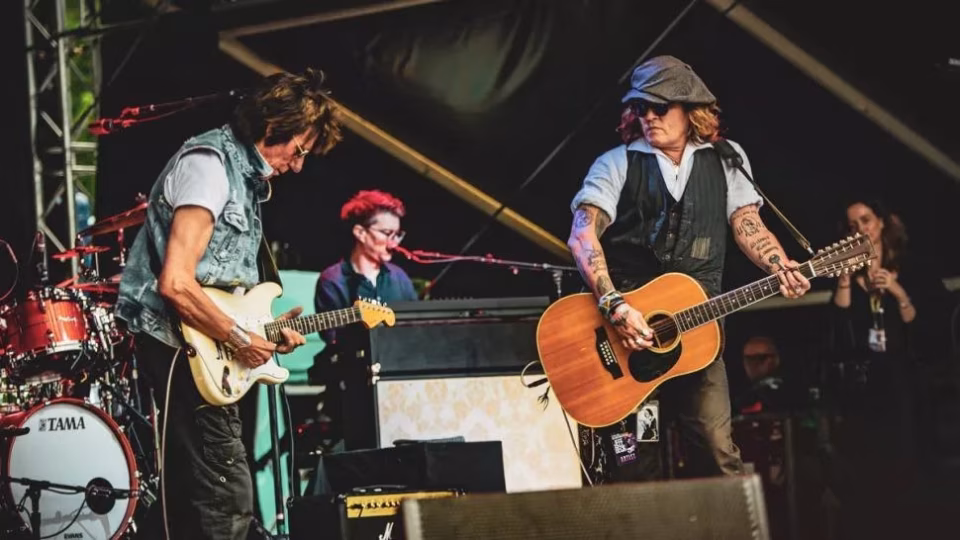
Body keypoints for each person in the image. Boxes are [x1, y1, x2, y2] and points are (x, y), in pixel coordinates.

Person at [115, 69, 342, 540]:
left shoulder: (242, 179)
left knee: (206, 496)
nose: (299, 165)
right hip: (181, 347)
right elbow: (176, 282)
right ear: (271, 127)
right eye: (298, 150)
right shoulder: (209, 167)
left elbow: (213, 285)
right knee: (224, 500)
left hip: (207, 349)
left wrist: (264, 329)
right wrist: (240, 338)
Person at [568, 55, 811, 483]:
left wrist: (778, 263)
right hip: (627, 338)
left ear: (690, 110)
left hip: (699, 335)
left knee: (718, 454)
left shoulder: (726, 159)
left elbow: (747, 223)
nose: (647, 117)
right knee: (634, 468)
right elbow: (582, 237)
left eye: (658, 108)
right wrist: (614, 305)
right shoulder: (617, 163)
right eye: (640, 108)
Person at [309, 190, 418, 449]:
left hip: (399, 384)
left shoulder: (399, 278)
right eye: (387, 234)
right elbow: (333, 338)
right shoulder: (333, 279)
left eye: (398, 235)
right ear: (360, 233)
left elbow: (414, 329)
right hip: (351, 389)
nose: (394, 242)